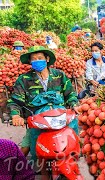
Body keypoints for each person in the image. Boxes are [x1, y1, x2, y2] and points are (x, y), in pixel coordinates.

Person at [7, 46, 79, 179]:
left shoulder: (59, 75)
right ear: (29, 62)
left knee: (73, 138)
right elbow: (15, 101)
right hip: (38, 123)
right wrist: (16, 115)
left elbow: (70, 94)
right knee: (32, 148)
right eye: (33, 59)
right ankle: (42, 174)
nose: (37, 61)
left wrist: (75, 105)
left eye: (40, 58)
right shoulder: (24, 80)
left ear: (47, 59)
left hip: (60, 119)